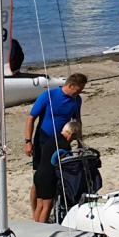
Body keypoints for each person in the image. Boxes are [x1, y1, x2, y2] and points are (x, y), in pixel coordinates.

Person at [25, 73, 87, 217]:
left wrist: (79, 141)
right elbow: (31, 118)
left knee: (56, 178)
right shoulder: (48, 96)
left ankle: (47, 211)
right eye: (78, 90)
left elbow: (77, 121)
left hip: (62, 141)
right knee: (39, 178)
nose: (78, 93)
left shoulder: (76, 100)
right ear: (70, 85)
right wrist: (28, 142)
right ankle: (35, 213)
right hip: (43, 139)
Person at [32, 118, 82, 223]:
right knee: (47, 206)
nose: (74, 139)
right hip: (48, 177)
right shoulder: (64, 145)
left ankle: (35, 227)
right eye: (74, 137)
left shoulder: (53, 139)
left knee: (40, 204)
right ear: (71, 134)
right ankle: (42, 229)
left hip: (38, 174)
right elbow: (66, 163)